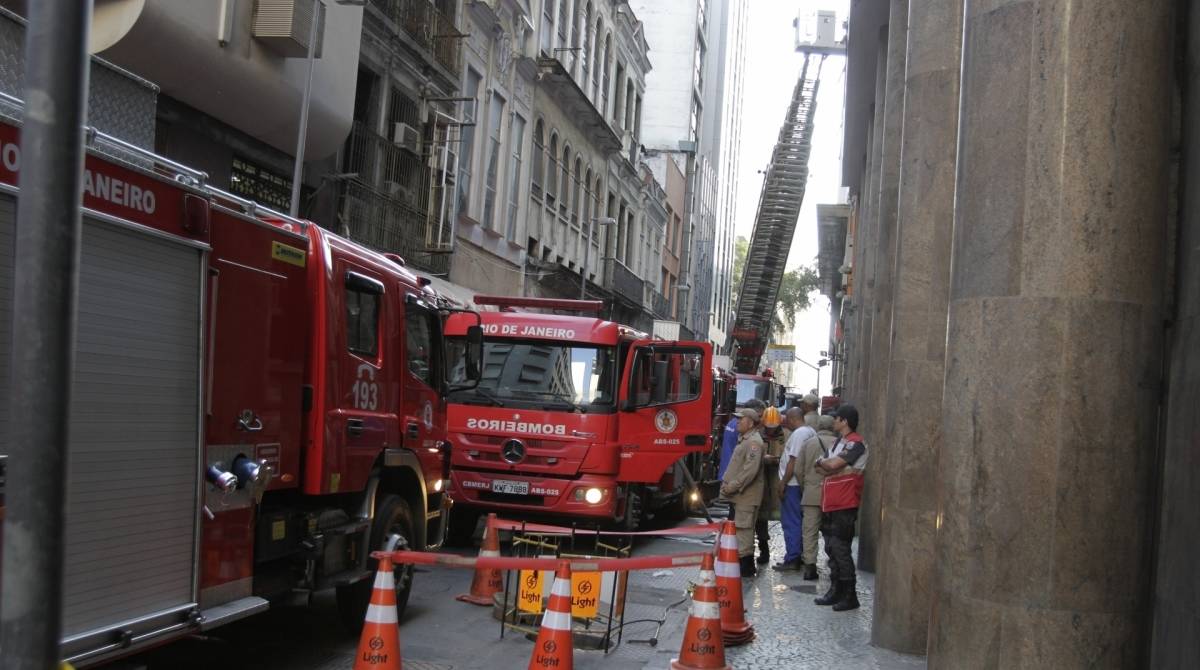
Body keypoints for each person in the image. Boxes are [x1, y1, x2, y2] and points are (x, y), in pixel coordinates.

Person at [813, 404, 868, 611]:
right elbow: (820, 468)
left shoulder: (856, 443)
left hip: (845, 503)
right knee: (830, 548)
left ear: (845, 421)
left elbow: (831, 465)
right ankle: (835, 590)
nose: (833, 421)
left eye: (836, 419)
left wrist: (825, 463)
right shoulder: (838, 442)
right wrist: (825, 463)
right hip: (830, 502)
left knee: (840, 549)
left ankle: (849, 594)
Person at [719, 407, 765, 577]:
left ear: (751, 423)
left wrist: (733, 486)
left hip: (746, 496)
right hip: (740, 497)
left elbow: (749, 471)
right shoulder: (745, 439)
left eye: (741, 419)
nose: (738, 422)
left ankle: (745, 568)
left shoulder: (753, 442)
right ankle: (741, 566)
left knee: (744, 532)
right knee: (739, 530)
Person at [772, 407, 813, 571]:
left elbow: (793, 461)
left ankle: (793, 558)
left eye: (787, 420)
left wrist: (783, 482)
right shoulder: (809, 431)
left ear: (792, 419)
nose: (785, 424)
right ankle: (798, 555)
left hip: (792, 485)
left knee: (791, 522)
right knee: (798, 520)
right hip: (798, 484)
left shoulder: (799, 434)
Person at [798, 414, 838, 579]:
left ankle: (809, 566)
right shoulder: (839, 444)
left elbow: (798, 470)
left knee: (810, 531)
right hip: (834, 495)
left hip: (811, 494)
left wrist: (805, 486)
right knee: (833, 531)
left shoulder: (808, 444)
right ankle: (835, 563)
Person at [755, 406, 788, 565]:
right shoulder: (757, 437)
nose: (771, 431)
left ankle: (792, 555)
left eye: (774, 429)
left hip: (779, 484)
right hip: (761, 485)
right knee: (760, 520)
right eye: (768, 428)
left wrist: (777, 460)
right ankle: (764, 551)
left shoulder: (787, 437)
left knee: (786, 520)